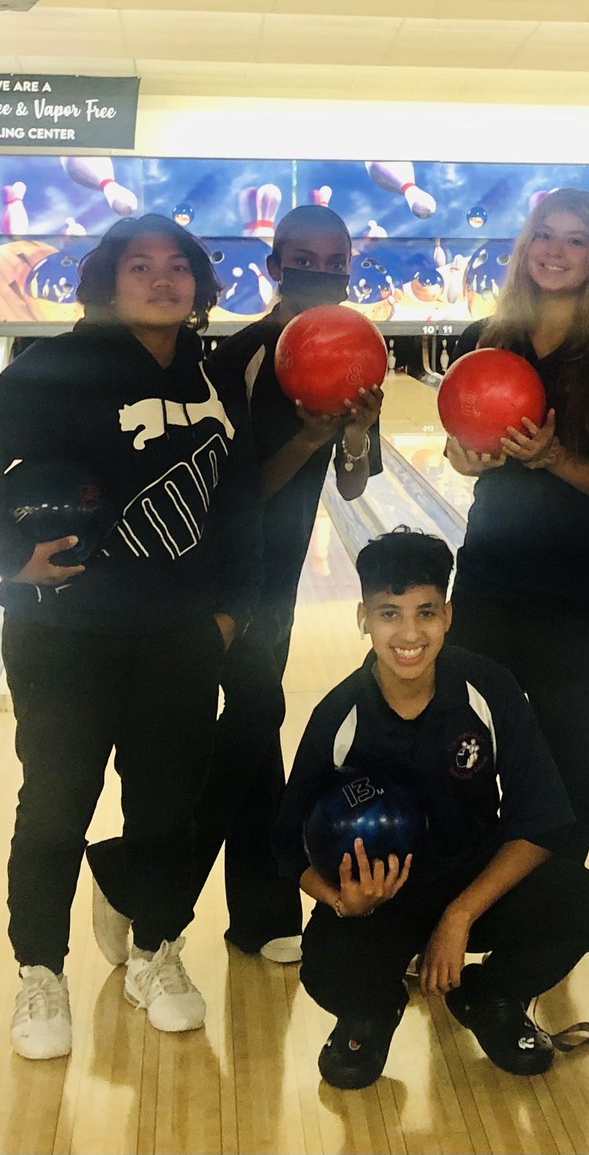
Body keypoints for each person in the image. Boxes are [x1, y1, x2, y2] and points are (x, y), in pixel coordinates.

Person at [0, 214, 259, 1059]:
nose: (161, 279)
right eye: (139, 265)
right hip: (64, 632)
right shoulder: (64, 366)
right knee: (55, 806)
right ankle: (40, 971)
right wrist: (6, 553)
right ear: (109, 281)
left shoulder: (208, 374)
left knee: (167, 808)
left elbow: (237, 498)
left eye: (176, 265)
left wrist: (231, 610)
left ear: (197, 283)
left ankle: (156, 951)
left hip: (177, 633)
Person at [87, 204, 383, 966]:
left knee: (256, 727)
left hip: (277, 576)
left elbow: (355, 487)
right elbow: (227, 491)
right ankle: (138, 877)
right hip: (218, 569)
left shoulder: (357, 350)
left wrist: (353, 432)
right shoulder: (242, 359)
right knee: (250, 721)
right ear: (275, 267)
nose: (321, 272)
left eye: (335, 260)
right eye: (304, 258)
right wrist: (310, 436)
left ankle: (259, 911)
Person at [272, 529, 589, 1090]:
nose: (410, 634)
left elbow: (541, 820)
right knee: (329, 965)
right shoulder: (339, 717)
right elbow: (287, 846)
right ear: (363, 618)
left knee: (583, 903)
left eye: (425, 612)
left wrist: (460, 916)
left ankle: (491, 998)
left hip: (475, 878)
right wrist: (342, 901)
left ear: (448, 615)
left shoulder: (489, 689)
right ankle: (372, 1012)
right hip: (383, 899)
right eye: (389, 614)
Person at [444, 188, 589, 861]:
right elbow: (460, 448)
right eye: (545, 235)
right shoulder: (484, 342)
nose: (555, 250)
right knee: (468, 739)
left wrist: (554, 459)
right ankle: (470, 886)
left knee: (561, 745)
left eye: (576, 239)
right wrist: (464, 456)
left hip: (583, 585)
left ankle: (559, 898)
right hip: (490, 572)